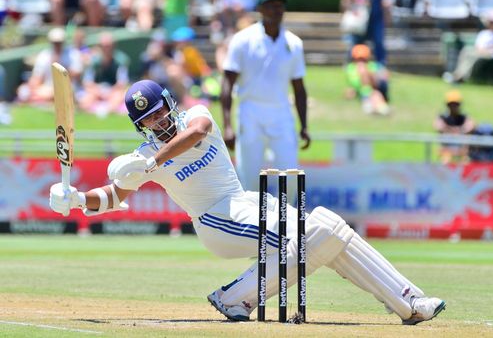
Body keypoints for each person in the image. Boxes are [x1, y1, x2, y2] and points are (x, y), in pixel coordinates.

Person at [49, 79, 446, 324]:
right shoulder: (141, 159)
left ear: (170, 104)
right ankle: (235, 296)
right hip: (214, 220)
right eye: (147, 121)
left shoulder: (196, 117)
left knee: (328, 228)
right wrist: (76, 199)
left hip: (241, 201)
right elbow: (113, 196)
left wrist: (151, 161)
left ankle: (410, 301)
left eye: (158, 113)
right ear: (139, 125)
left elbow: (197, 134)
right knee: (317, 232)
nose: (157, 123)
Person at [220, 0, 311, 192]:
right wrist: (227, 125)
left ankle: (286, 222)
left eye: (280, 5)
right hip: (250, 110)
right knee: (249, 177)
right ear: (260, 9)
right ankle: (252, 223)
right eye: (271, 5)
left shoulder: (294, 43)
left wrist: (304, 125)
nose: (277, 10)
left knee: (290, 176)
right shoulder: (243, 40)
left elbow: (299, 87)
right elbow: (227, 82)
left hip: (281, 112)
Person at [16, 27, 83, 106]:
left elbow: (76, 75)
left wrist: (59, 64)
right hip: (46, 88)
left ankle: (38, 100)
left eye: (59, 42)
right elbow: (37, 77)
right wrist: (32, 89)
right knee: (23, 90)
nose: (57, 45)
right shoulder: (44, 55)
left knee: (55, 93)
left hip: (68, 88)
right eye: (55, 42)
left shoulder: (73, 54)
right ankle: (38, 99)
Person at [341, 0, 391, 65]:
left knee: (378, 42)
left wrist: (387, 14)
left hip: (376, 17)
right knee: (357, 42)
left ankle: (380, 65)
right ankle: (352, 64)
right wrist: (362, 0)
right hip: (362, 17)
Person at [345, 44, 390, 115]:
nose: (361, 62)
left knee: (376, 94)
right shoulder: (351, 68)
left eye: (363, 59)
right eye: (358, 59)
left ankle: (379, 107)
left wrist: (368, 73)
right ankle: (376, 107)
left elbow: (381, 79)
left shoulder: (373, 66)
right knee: (373, 95)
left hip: (374, 88)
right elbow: (353, 85)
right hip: (363, 92)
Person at [433, 90, 475, 165]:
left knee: (466, 163)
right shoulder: (442, 117)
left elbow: (471, 126)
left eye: (456, 104)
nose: (453, 106)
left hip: (462, 151)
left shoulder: (464, 117)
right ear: (447, 105)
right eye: (451, 104)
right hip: (447, 150)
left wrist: (450, 130)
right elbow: (438, 126)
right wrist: (459, 131)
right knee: (445, 162)